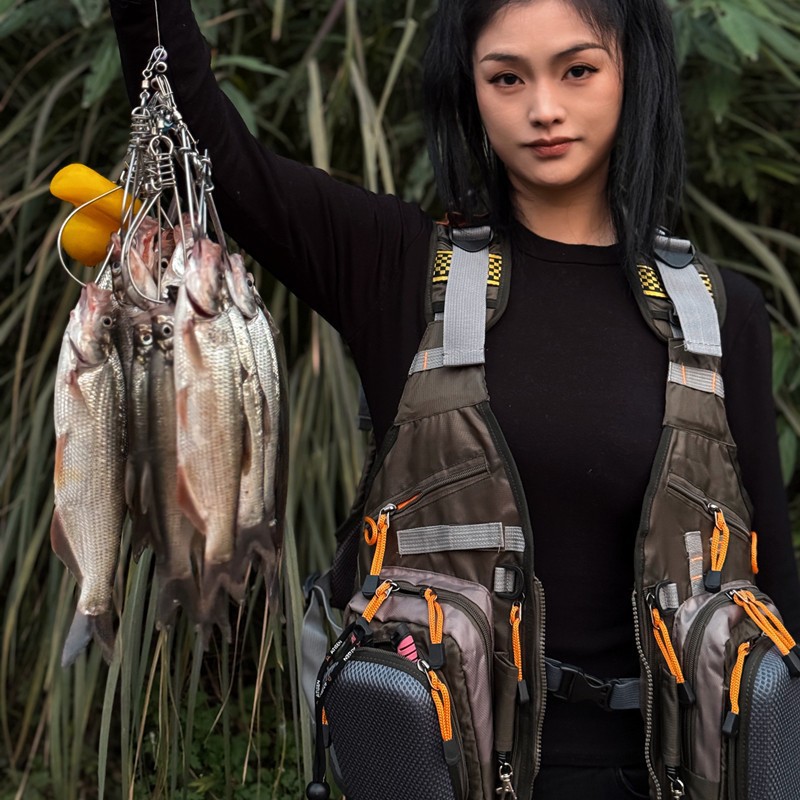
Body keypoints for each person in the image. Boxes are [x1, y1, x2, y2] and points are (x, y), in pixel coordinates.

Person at [108, 0, 800, 797]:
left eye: (578, 70)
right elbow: (206, 146)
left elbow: (768, 580)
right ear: (467, 89)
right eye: (506, 77)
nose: (543, 108)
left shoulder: (717, 311)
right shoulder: (397, 271)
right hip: (435, 771)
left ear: (632, 74)